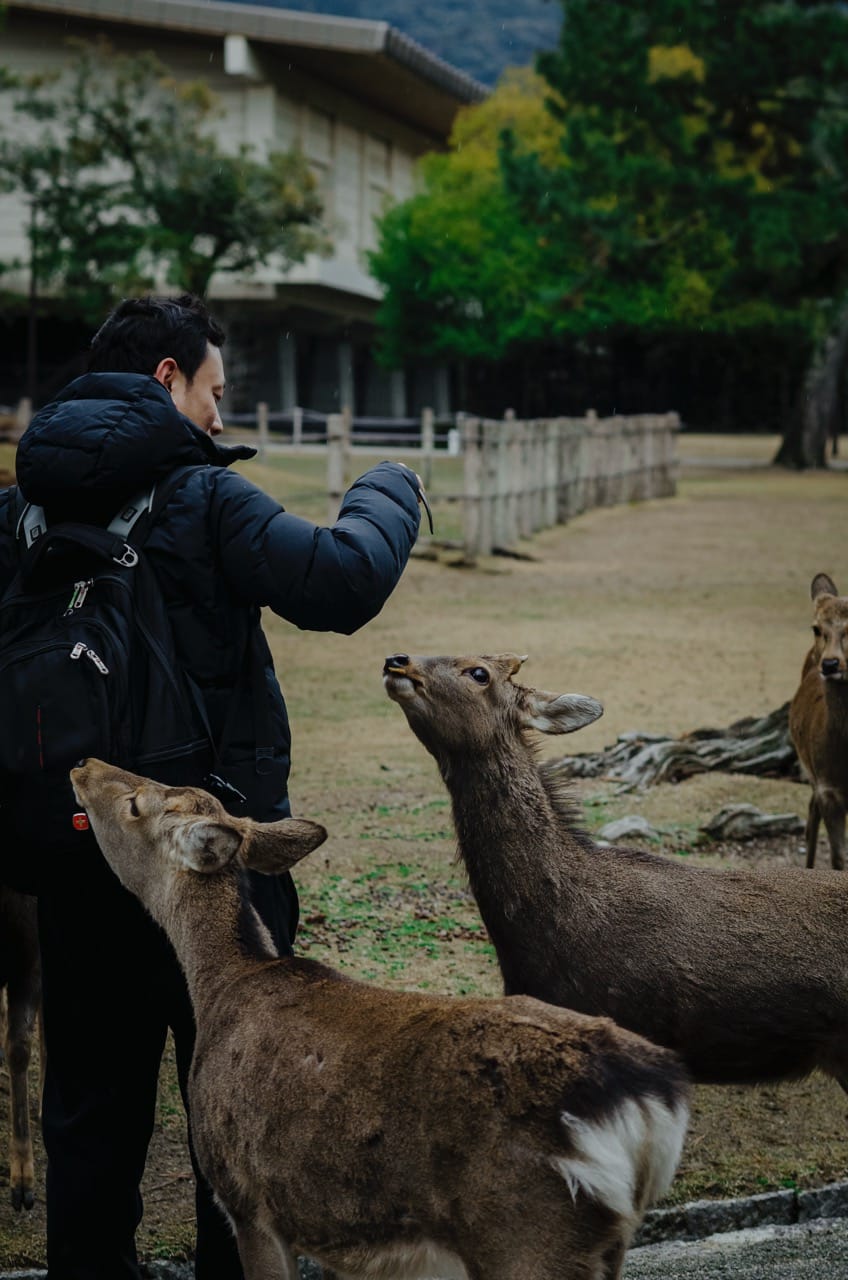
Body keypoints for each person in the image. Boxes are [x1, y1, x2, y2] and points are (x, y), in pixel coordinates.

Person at [0, 294, 422, 1279]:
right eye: (213, 390)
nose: (219, 414)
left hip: (85, 854)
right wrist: (391, 487)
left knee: (89, 1115)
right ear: (167, 380)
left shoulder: (16, 512)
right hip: (216, 869)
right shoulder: (203, 497)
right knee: (235, 1108)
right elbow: (342, 580)